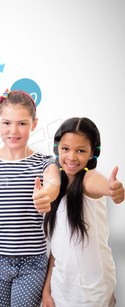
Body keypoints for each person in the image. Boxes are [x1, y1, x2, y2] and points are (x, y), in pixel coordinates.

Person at [0, 89, 61, 307]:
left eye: (22, 124)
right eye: (7, 123)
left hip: (32, 264)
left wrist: (45, 195)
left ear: (34, 123)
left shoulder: (44, 162)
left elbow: (54, 182)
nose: (13, 130)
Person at [42, 117, 124, 307]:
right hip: (62, 289)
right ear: (57, 149)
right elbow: (57, 249)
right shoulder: (56, 187)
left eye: (80, 150)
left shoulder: (89, 179)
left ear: (92, 153)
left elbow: (98, 183)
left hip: (94, 292)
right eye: (65, 149)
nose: (71, 157)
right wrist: (47, 291)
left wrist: (111, 188)